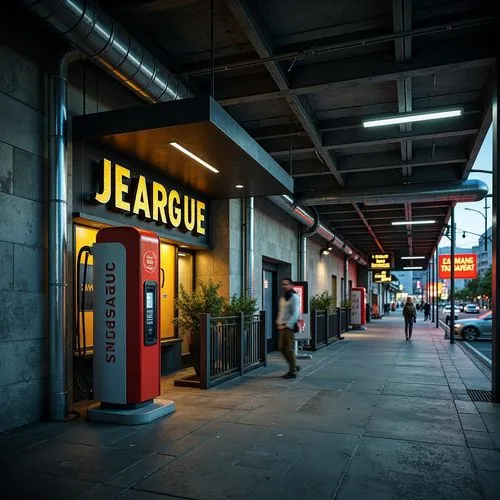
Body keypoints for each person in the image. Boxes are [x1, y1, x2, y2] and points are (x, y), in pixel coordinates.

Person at [276, 278, 300, 379]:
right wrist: (278, 322)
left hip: (288, 327)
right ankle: (293, 365)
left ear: (291, 285)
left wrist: (287, 325)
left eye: (286, 284)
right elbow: (281, 312)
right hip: (282, 326)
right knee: (281, 348)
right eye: (283, 284)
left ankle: (293, 371)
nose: (284, 286)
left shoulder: (294, 297)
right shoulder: (283, 297)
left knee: (288, 349)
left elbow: (295, 313)